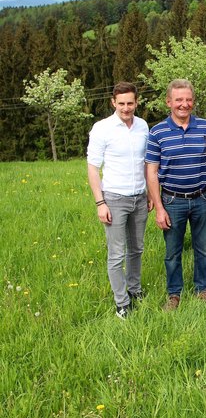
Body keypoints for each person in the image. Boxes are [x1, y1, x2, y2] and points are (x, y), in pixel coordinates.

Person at [145, 79, 206, 311]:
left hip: (202, 198)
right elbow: (151, 171)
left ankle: (202, 289)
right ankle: (174, 294)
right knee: (172, 252)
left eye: (188, 99)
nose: (184, 104)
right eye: (179, 100)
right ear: (169, 102)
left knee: (204, 249)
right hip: (171, 200)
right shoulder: (157, 132)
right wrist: (159, 207)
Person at [87, 82, 150, 319]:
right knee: (116, 254)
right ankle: (121, 302)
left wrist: (151, 195)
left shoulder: (143, 126)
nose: (126, 108)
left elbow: (147, 164)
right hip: (114, 198)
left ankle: (134, 290)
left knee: (137, 249)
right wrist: (100, 203)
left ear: (136, 102)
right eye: (121, 103)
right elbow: (93, 168)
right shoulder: (102, 128)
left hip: (140, 198)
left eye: (130, 103)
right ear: (113, 102)